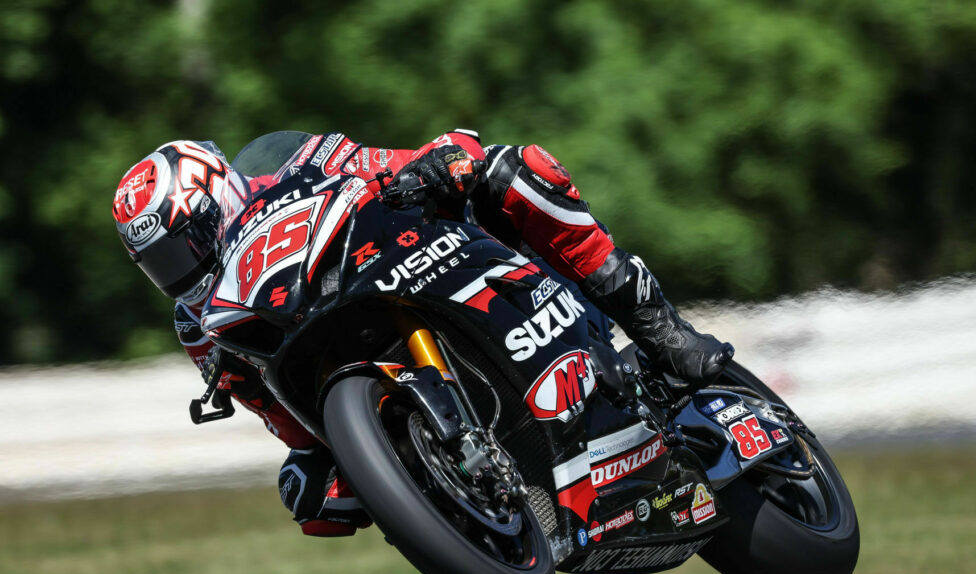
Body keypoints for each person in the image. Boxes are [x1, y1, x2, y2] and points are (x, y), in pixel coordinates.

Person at [111, 130, 734, 537]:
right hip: (353, 359)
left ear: (218, 197)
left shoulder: (304, 166)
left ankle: (658, 327)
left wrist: (439, 163)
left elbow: (416, 157)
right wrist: (318, 463)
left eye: (186, 246)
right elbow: (283, 419)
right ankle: (462, 479)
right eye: (163, 264)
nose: (184, 271)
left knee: (516, 170)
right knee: (312, 495)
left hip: (433, 259)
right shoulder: (201, 325)